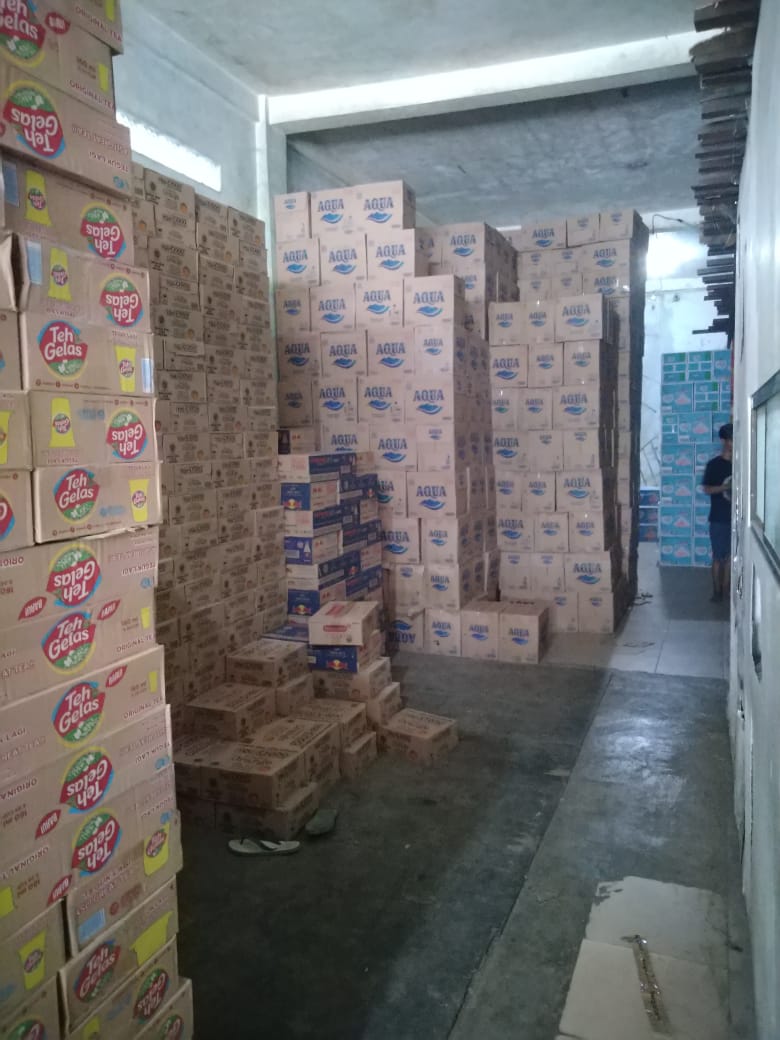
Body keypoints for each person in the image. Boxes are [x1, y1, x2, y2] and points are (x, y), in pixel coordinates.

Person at [702, 422, 733, 602]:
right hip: (718, 518)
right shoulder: (713, 465)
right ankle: (716, 592)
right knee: (718, 557)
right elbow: (707, 489)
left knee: (729, 558)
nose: (732, 443)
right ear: (723, 441)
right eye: (730, 440)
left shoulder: (741, 464)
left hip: (736, 518)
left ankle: (726, 590)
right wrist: (725, 487)